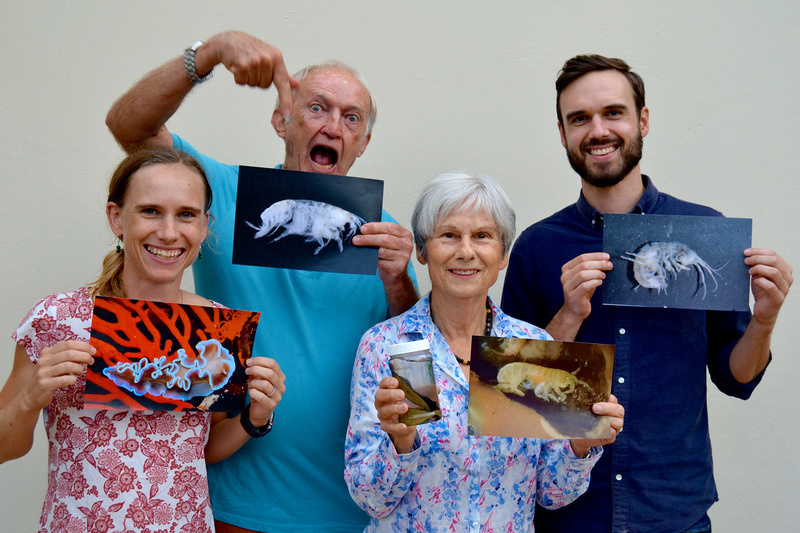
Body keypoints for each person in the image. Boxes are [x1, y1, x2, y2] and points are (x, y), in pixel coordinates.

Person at [105, 31, 418, 532]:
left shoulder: (383, 236)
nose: (334, 126)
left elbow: (414, 356)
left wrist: (400, 282)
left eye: (351, 117)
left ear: (363, 142)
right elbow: (127, 126)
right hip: (235, 508)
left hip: (355, 512)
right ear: (281, 120)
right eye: (317, 107)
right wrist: (204, 56)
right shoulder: (224, 196)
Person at [501, 54, 793, 533]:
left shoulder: (706, 233)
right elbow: (516, 401)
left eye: (613, 112)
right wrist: (569, 317)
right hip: (570, 513)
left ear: (643, 120)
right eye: (579, 118)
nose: (598, 131)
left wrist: (764, 320)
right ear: (562, 133)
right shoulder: (536, 246)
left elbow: (735, 378)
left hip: (673, 512)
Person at [0, 147, 285, 532]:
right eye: (150, 210)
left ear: (204, 226)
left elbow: (205, 450)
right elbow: (7, 447)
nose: (169, 232)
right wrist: (30, 398)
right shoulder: (56, 318)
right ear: (116, 218)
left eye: (186, 214)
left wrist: (256, 416)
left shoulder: (216, 327)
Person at [345, 172, 625, 531]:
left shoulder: (532, 347)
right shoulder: (389, 346)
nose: (465, 251)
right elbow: (369, 499)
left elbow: (554, 494)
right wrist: (401, 442)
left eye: (482, 236)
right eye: (448, 235)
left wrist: (583, 444)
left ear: (503, 254)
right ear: (421, 249)